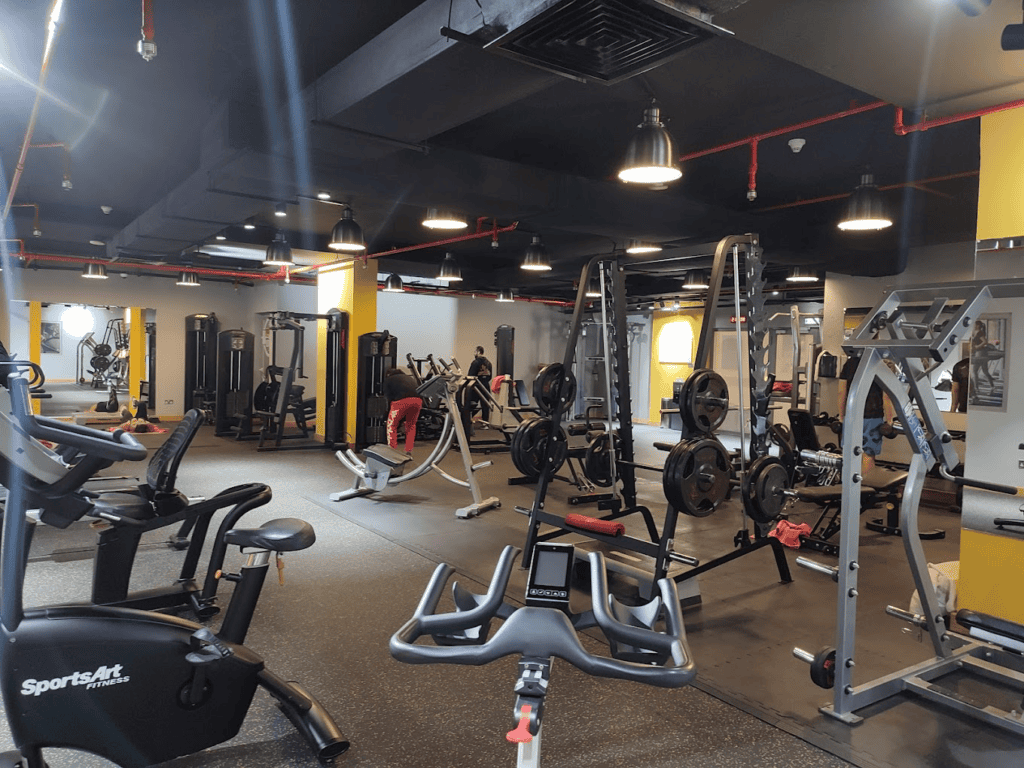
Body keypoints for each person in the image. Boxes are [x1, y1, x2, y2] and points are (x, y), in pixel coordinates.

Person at [837, 351, 895, 472]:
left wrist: (841, 418)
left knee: (850, 454)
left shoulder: (850, 363)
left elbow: (841, 393)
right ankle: (866, 483)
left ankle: (848, 484)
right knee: (868, 453)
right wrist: (890, 421)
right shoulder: (880, 364)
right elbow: (886, 396)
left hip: (851, 416)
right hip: (872, 417)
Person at [383, 367, 422, 454]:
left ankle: (392, 450)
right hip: (417, 401)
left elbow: (388, 397)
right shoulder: (409, 378)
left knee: (391, 425)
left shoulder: (389, 379)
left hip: (401, 401)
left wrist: (386, 413)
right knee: (411, 425)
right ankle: (408, 450)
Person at [466, 345, 493, 423]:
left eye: (475, 352)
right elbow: (489, 376)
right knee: (485, 405)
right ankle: (485, 423)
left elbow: (471, 375)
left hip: (476, 386)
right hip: (485, 385)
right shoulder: (489, 363)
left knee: (471, 403)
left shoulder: (475, 362)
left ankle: (467, 421)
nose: (474, 353)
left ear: (478, 352)